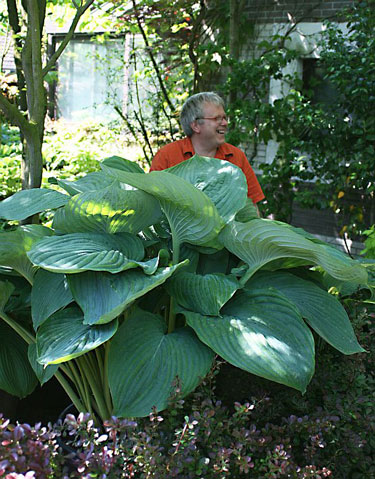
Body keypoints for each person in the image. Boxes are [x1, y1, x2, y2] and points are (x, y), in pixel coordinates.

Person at [150, 91, 265, 206]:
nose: (225, 123)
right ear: (195, 126)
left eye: (225, 118)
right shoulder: (167, 156)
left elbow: (251, 208)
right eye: (217, 118)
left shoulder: (236, 157)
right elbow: (151, 204)